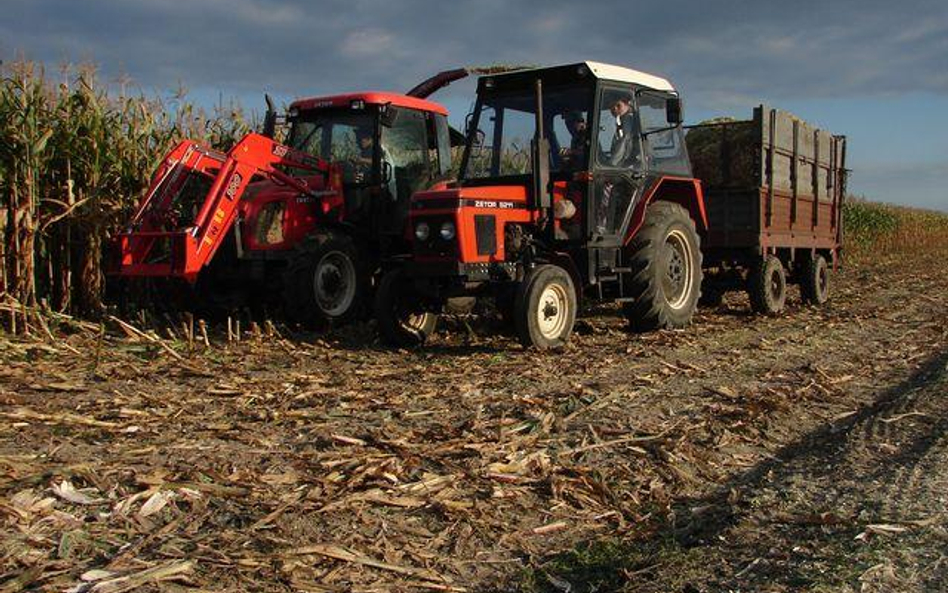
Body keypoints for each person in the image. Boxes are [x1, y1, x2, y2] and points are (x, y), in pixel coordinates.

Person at [607, 96, 639, 168]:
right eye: (611, 107)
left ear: (627, 104)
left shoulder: (628, 119)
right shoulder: (620, 121)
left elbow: (625, 141)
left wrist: (612, 163)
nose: (614, 109)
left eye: (618, 105)